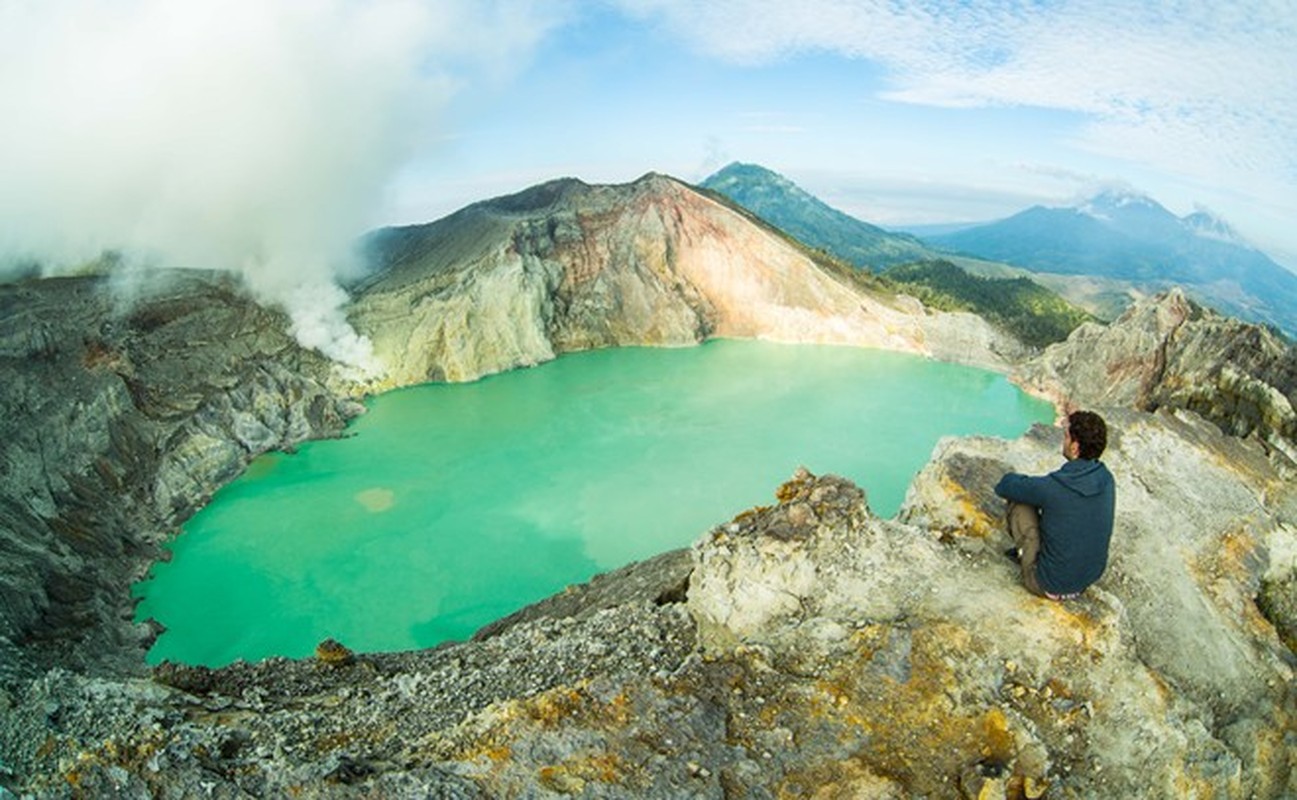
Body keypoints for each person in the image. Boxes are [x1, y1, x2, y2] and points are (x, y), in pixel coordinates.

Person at [994, 410, 1115, 600]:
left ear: (1075, 447)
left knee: (1020, 502)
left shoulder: (1055, 487)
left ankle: (1025, 556)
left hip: (1047, 583)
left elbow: (1005, 487)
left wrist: (1015, 478)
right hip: (1086, 580)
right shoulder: (1107, 479)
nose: (1063, 441)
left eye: (1066, 436)